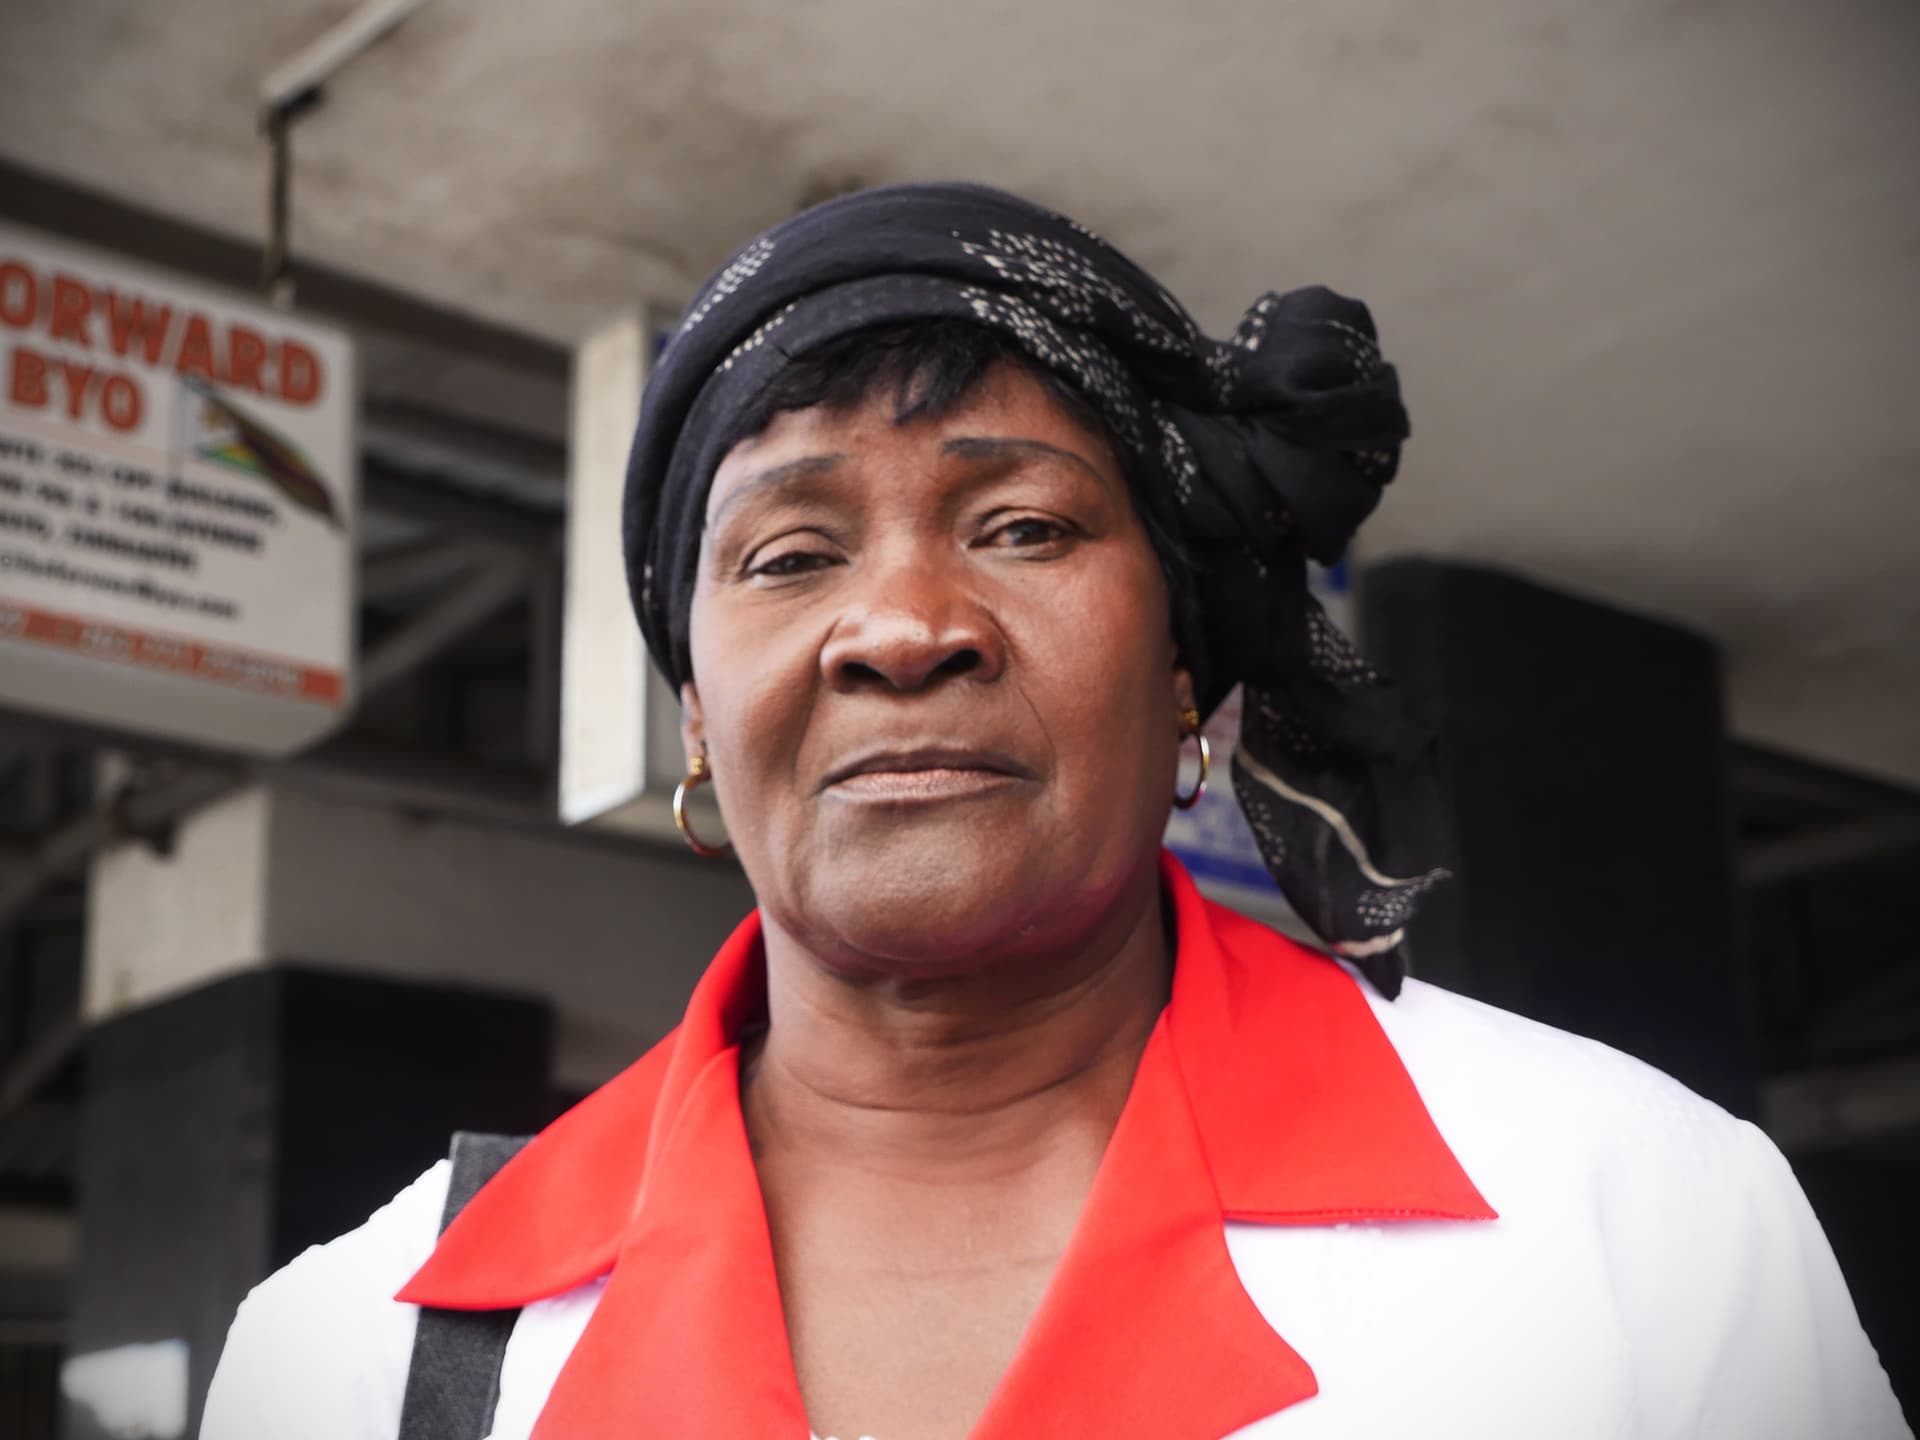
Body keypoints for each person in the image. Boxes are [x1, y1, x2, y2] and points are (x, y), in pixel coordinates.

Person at [202, 184, 1909, 1440]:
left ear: (1187, 671)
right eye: (791, 557)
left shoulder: (1631, 1220)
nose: (901, 626)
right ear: (699, 718)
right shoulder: (363, 1351)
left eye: (1021, 527)